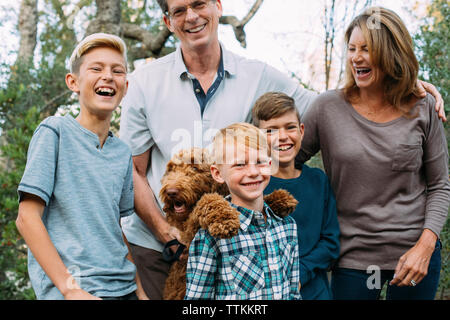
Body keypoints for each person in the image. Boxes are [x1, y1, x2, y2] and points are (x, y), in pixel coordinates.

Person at [119, 0, 445, 299]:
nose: (191, 16)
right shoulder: (144, 82)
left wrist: (404, 82)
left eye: (199, 3)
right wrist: (170, 237)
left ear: (218, 6)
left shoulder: (258, 76)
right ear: (167, 21)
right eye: (179, 10)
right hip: (160, 245)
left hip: (240, 244)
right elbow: (132, 169)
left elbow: (318, 110)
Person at [296, 7, 450, 300]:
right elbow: (286, 167)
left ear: (391, 52)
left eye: (367, 49)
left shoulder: (423, 106)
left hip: (416, 257)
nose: (356, 57)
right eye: (352, 48)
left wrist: (426, 246)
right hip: (353, 261)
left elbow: (440, 184)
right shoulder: (327, 108)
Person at [16, 33, 148, 300]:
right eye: (96, 68)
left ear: (125, 85)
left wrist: (142, 293)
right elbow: (27, 218)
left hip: (124, 289)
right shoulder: (54, 131)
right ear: (73, 82)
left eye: (117, 70)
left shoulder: (122, 152)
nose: (108, 76)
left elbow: (115, 228)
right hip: (77, 290)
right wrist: (69, 289)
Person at [184, 122, 300, 299]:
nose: (253, 172)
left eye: (260, 162)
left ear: (270, 164)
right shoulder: (211, 236)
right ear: (218, 173)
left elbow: (293, 291)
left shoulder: (287, 225)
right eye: (240, 164)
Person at [252, 92, 340, 300]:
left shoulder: (318, 181)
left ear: (301, 131)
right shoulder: (252, 183)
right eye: (271, 130)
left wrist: (300, 273)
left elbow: (330, 242)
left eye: (290, 127)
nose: (283, 136)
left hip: (314, 291)